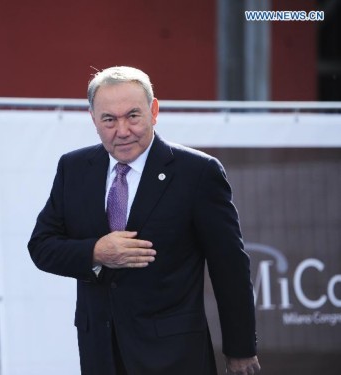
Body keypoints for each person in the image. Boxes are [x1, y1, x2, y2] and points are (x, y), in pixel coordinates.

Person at [28, 66, 260, 375]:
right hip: (101, 352)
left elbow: (229, 267)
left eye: (132, 116)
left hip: (173, 356)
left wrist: (240, 348)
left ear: (154, 111)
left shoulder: (197, 173)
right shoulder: (74, 168)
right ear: (94, 120)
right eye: (109, 119)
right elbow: (42, 246)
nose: (122, 130)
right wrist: (96, 252)